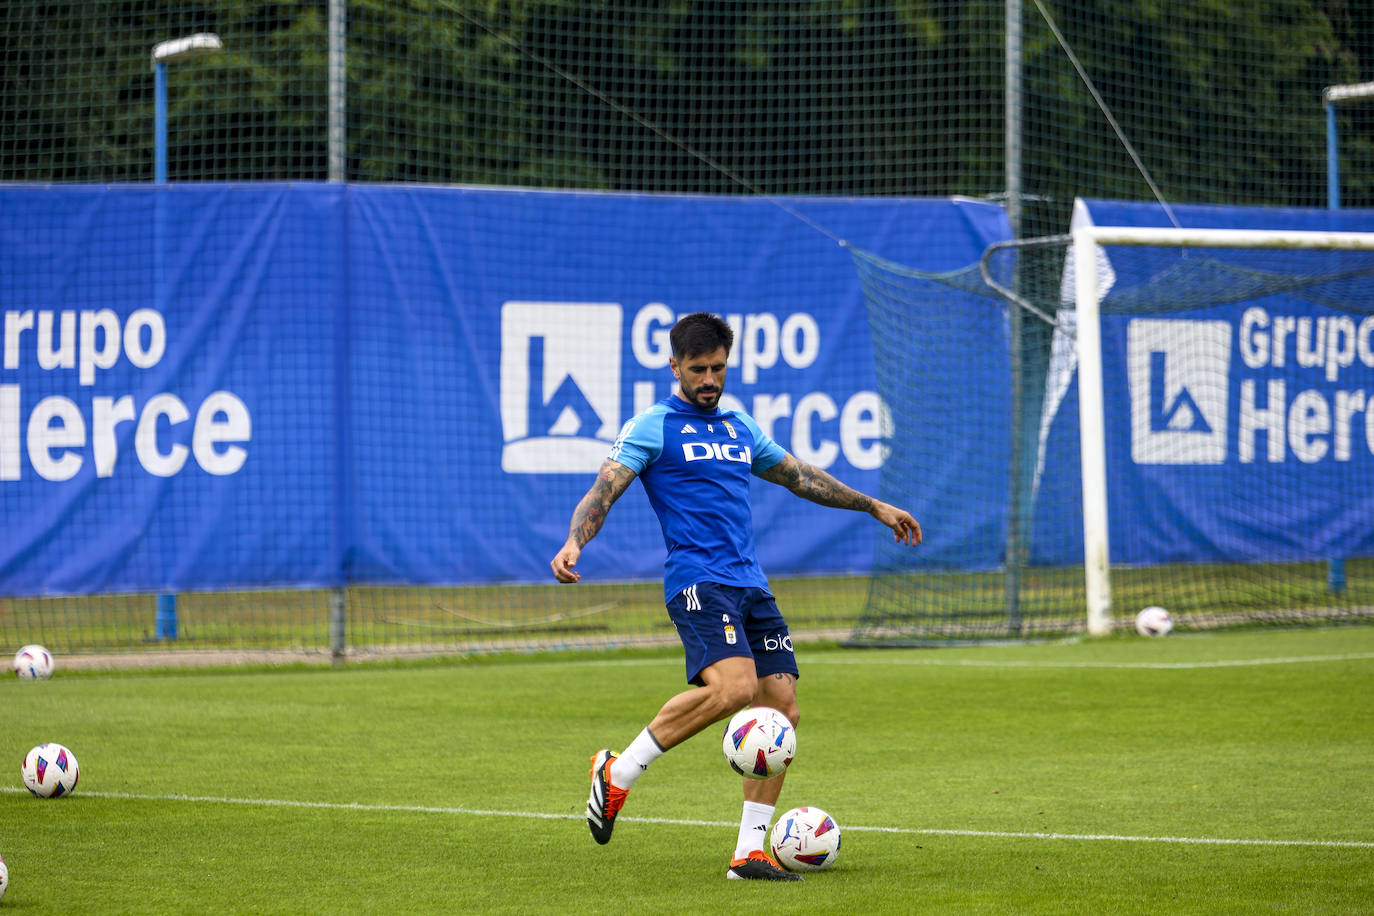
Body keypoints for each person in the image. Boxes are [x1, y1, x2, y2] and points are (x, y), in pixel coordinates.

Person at [551, 311, 921, 881]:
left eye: (717, 368)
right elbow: (603, 491)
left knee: (782, 712)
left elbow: (801, 477)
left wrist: (873, 505)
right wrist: (575, 541)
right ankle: (617, 774)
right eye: (697, 369)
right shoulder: (652, 425)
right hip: (698, 582)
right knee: (735, 688)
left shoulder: (738, 426)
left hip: (751, 585)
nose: (708, 379)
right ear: (674, 366)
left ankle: (748, 853)